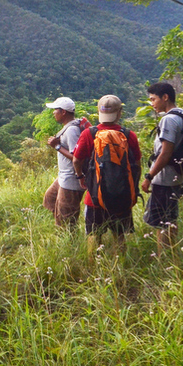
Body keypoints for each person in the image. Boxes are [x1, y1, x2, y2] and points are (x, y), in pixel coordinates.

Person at [73, 95, 141, 256]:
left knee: (93, 235)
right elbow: (137, 165)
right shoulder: (129, 135)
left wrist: (81, 177)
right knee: (119, 235)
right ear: (119, 113)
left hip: (95, 196)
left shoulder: (89, 134)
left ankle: (93, 269)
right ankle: (120, 267)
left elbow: (76, 160)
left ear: (99, 112)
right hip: (122, 195)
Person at [141, 82, 183, 255]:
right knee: (171, 220)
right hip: (176, 176)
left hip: (165, 178)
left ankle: (163, 259)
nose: (152, 103)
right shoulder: (182, 114)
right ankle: (171, 256)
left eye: (153, 99)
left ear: (165, 97)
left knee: (162, 223)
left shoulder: (168, 119)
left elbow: (165, 153)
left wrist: (149, 176)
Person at [42, 97, 89, 230]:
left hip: (71, 178)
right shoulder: (68, 127)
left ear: (63, 112)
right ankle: (61, 224)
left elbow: (77, 157)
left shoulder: (71, 131)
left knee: (66, 217)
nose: (53, 113)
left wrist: (57, 147)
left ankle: (68, 237)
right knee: (50, 199)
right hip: (64, 176)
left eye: (55, 110)